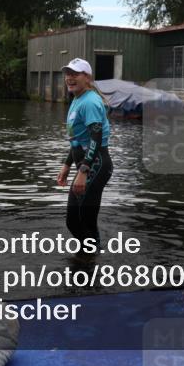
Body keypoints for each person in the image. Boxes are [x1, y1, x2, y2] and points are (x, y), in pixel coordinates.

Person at [55, 58, 113, 260]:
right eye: (67, 74)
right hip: (88, 165)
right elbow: (78, 140)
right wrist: (67, 164)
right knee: (86, 220)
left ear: (87, 78)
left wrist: (83, 171)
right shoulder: (77, 99)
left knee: (75, 220)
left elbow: (96, 138)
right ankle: (91, 258)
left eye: (75, 74)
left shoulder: (89, 101)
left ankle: (88, 258)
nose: (69, 78)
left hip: (94, 166)